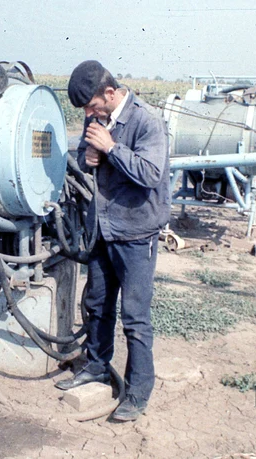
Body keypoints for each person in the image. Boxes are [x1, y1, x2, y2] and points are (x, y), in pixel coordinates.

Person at [55, 60, 171, 422]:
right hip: (103, 228)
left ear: (110, 92)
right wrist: (88, 157)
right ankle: (96, 366)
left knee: (135, 318)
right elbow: (84, 158)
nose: (90, 115)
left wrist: (110, 148)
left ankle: (137, 394)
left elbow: (151, 174)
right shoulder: (95, 120)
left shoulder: (147, 122)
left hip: (136, 234)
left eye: (92, 106)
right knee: (97, 303)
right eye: (86, 111)